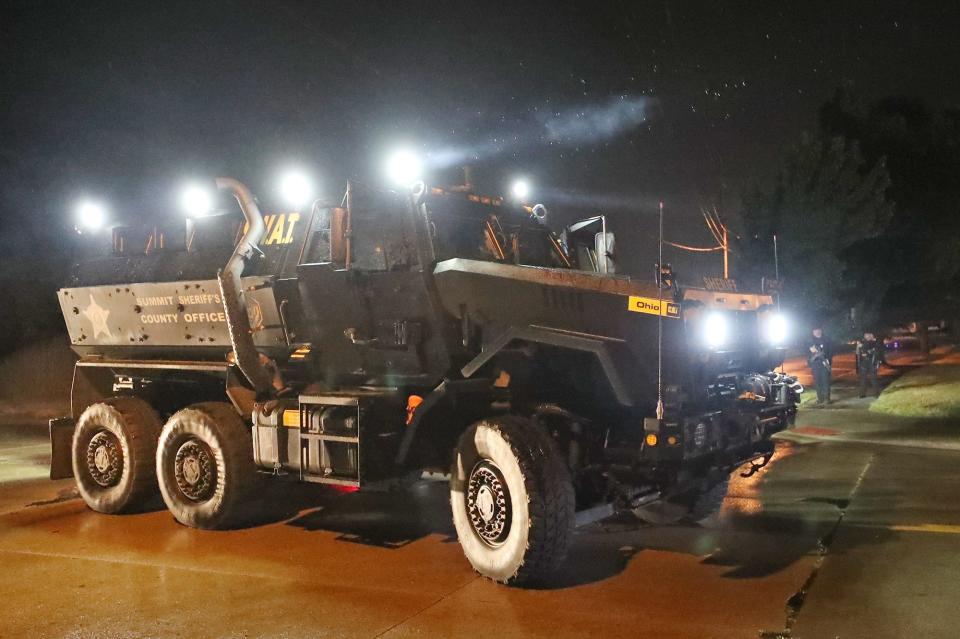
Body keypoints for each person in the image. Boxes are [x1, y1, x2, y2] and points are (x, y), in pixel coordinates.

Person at [855, 331, 885, 398]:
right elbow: (857, 354)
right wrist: (858, 347)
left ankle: (876, 393)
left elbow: (877, 352)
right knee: (863, 379)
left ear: (872, 335)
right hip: (863, 363)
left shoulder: (875, 343)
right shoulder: (861, 343)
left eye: (869, 335)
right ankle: (862, 393)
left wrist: (877, 361)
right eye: (866, 335)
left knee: (873, 378)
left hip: (872, 362)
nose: (867, 336)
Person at [807, 327, 833, 405]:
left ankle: (826, 399)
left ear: (821, 331)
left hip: (824, 363)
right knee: (817, 382)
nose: (817, 332)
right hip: (815, 364)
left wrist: (826, 357)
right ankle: (820, 398)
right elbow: (807, 353)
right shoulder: (810, 341)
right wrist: (813, 354)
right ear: (812, 332)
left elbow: (831, 351)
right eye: (815, 330)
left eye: (818, 330)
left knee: (825, 381)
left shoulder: (826, 340)